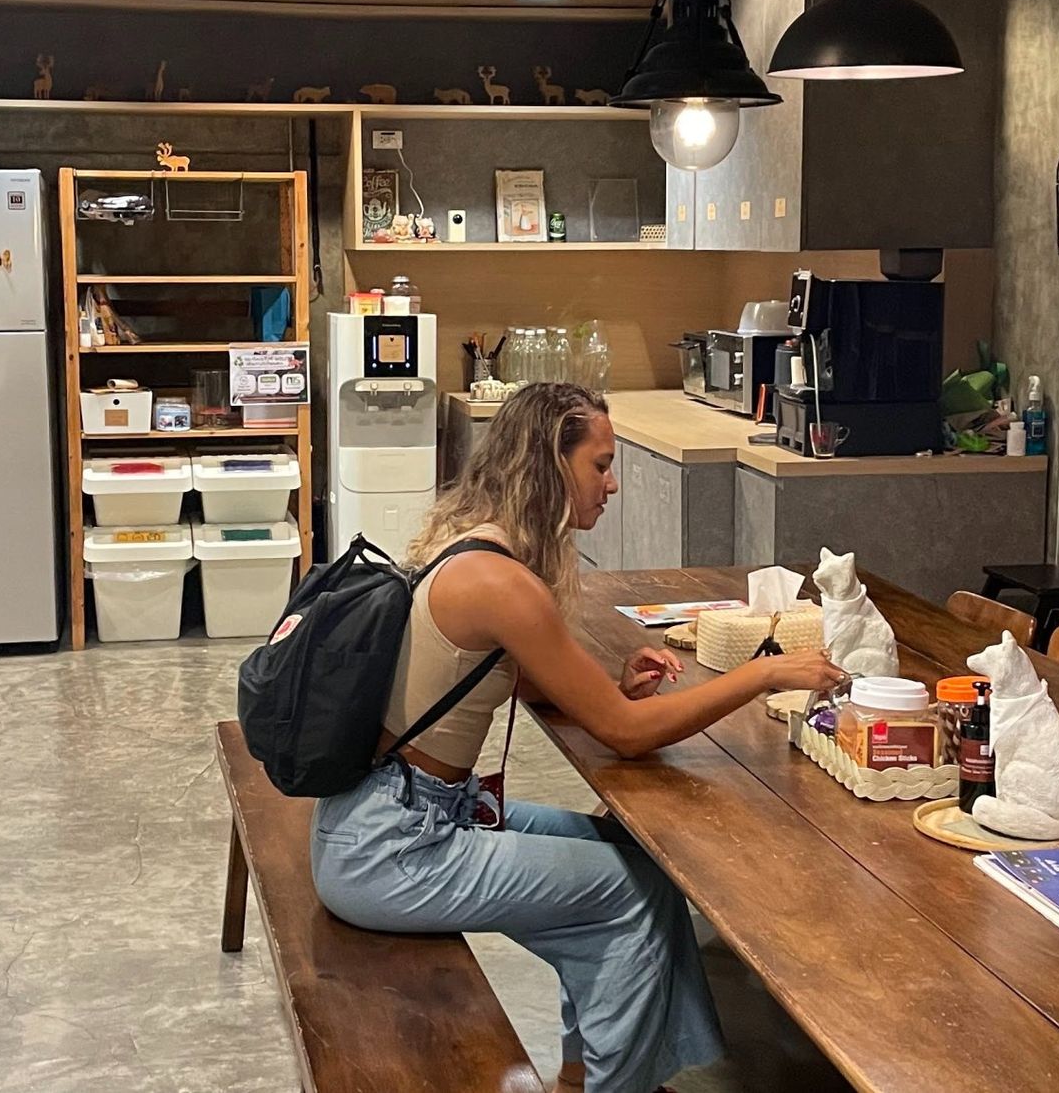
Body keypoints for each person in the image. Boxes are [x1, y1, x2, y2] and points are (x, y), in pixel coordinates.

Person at [309, 382, 849, 1093]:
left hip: (395, 815)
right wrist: (764, 675)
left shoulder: (472, 542)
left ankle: (590, 1074)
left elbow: (537, 688)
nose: (612, 484)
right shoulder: (501, 582)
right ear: (549, 464)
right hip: (395, 848)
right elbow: (625, 737)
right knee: (629, 897)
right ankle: (616, 1083)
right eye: (599, 465)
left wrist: (609, 688)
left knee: (639, 857)